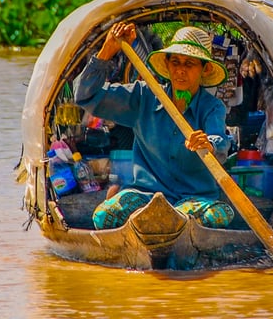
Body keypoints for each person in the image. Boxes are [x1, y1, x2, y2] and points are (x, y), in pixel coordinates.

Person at [73, 22, 235, 230]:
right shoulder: (144, 96)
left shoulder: (212, 108)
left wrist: (208, 144)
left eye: (189, 64)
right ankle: (161, 225)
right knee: (104, 216)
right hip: (146, 196)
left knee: (221, 214)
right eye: (175, 62)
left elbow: (220, 143)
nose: (180, 71)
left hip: (193, 200)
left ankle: (171, 225)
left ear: (204, 70)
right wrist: (108, 50)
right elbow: (86, 96)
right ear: (167, 65)